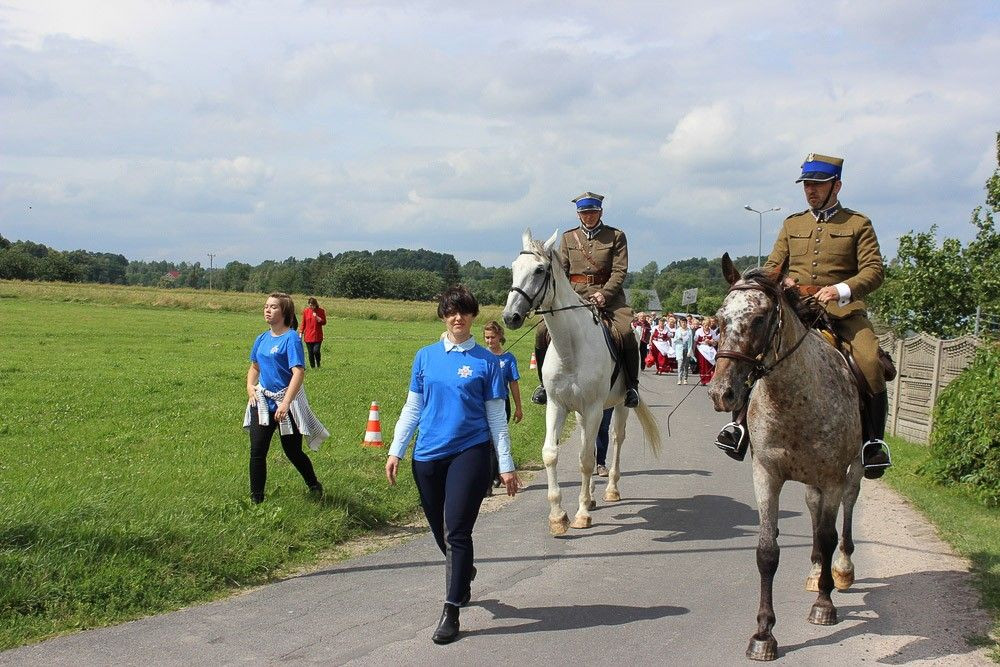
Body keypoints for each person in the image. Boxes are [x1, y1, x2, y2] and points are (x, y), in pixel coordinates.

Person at [715, 153, 891, 478]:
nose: (810, 190)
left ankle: (873, 444)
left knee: (868, 361)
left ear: (836, 186)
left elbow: (874, 271)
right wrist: (781, 280)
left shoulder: (857, 224)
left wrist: (840, 289)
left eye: (817, 184)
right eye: (807, 184)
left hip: (842, 312)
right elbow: (772, 266)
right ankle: (738, 427)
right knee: (758, 350)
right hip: (797, 310)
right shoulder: (792, 224)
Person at [385, 286, 520, 645]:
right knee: (442, 533)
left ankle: (451, 608)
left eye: (463, 311)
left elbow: (496, 419)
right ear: (443, 316)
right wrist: (396, 449)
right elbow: (413, 407)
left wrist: (505, 464)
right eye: (450, 311)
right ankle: (464, 571)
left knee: (457, 530)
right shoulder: (425, 357)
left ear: (473, 316)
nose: (456, 317)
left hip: (470, 452)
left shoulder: (488, 363)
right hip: (427, 455)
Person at [531, 192, 640, 408]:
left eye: (592, 212)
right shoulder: (569, 237)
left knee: (626, 332)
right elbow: (563, 272)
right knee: (542, 331)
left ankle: (631, 387)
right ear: (578, 214)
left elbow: (619, 271)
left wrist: (604, 294)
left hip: (609, 298)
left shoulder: (616, 236)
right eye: (584, 213)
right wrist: (568, 297)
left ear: (600, 212)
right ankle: (544, 386)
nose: (588, 216)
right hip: (574, 297)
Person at [243, 293, 327, 504]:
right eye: (266, 306)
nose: (267, 310)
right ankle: (256, 501)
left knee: (292, 451)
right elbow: (254, 367)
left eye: (273, 307)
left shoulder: (291, 339)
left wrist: (286, 403)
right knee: (257, 451)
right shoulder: (261, 339)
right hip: (262, 403)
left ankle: (313, 484)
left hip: (285, 404)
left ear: (285, 312)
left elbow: (298, 372)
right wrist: (250, 387)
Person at [483, 321, 523, 491]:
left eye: (492, 337)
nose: (489, 341)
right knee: (485, 441)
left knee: (495, 439)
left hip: (501, 402)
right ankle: (490, 476)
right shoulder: (481, 356)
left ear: (500, 336)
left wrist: (518, 407)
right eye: (486, 338)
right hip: (483, 403)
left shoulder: (508, 358)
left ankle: (493, 478)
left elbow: (514, 384)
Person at [299, 297, 327, 369]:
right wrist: (301, 332)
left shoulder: (321, 311)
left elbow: (324, 322)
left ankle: (318, 363)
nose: (311, 307)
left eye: (312, 305)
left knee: (316, 351)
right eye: (310, 305)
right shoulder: (306, 311)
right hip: (308, 336)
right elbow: (303, 323)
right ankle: (313, 367)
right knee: (310, 353)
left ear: (315, 304)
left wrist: (319, 319)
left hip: (317, 335)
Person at [693, 319, 718, 385]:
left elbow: (715, 342)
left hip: (709, 348)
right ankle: (703, 380)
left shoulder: (712, 332)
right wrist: (693, 350)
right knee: (703, 364)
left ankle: (711, 379)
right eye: (705, 325)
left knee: (711, 363)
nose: (706, 327)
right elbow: (695, 341)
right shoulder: (698, 331)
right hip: (701, 349)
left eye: (707, 325)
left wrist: (710, 341)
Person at [593, 407, 614, 476]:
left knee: (603, 429)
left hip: (607, 401)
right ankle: (589, 462)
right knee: (588, 429)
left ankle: (601, 465)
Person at [673, 318, 693, 385]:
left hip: (687, 349)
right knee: (680, 364)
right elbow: (675, 340)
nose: (683, 323)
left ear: (686, 323)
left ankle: (685, 379)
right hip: (679, 349)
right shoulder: (678, 331)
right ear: (680, 323)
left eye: (684, 322)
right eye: (682, 322)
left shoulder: (689, 331)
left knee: (686, 365)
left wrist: (689, 351)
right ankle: (679, 379)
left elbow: (691, 342)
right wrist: (679, 339)